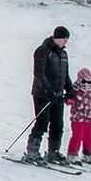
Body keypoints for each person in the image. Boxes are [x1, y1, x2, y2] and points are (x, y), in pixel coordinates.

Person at [27, 25, 75, 163]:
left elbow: (65, 74)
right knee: (42, 122)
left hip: (58, 95)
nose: (66, 42)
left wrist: (69, 90)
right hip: (43, 94)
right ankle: (32, 152)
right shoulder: (43, 51)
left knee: (58, 124)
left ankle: (53, 152)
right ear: (57, 38)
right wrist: (48, 90)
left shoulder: (63, 54)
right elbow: (39, 73)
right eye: (64, 39)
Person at [66, 67, 91, 162]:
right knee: (77, 136)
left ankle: (88, 154)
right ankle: (72, 154)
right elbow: (69, 100)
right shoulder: (74, 90)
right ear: (79, 79)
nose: (86, 84)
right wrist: (68, 99)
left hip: (89, 118)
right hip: (77, 119)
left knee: (89, 137)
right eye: (84, 81)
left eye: (90, 82)